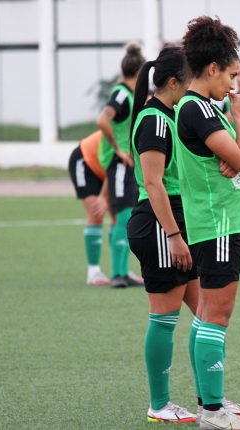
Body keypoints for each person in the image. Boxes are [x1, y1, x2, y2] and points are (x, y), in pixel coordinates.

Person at [175, 16, 240, 430]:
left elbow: (239, 161)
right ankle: (211, 412)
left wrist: (236, 153)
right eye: (230, 74)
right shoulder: (197, 109)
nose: (234, 84)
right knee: (216, 316)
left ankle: (210, 399)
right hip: (218, 221)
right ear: (211, 69)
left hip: (223, 219)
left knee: (206, 312)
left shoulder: (205, 107)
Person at [125, 45, 200, 424]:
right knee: (165, 317)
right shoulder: (154, 119)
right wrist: (173, 235)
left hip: (178, 221)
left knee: (207, 314)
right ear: (175, 82)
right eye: (192, 81)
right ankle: (159, 404)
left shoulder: (170, 115)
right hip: (159, 224)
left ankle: (210, 399)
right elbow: (153, 184)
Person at [97, 42, 146, 288]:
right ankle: (117, 274)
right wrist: (118, 148)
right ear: (138, 74)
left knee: (125, 216)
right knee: (123, 215)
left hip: (126, 162)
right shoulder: (121, 94)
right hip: (119, 162)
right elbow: (103, 119)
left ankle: (122, 271)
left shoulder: (130, 94)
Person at [67, 130, 110, 285]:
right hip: (85, 161)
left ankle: (120, 270)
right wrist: (104, 197)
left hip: (105, 170)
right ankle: (93, 272)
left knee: (119, 215)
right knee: (96, 212)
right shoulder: (126, 129)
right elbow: (113, 164)